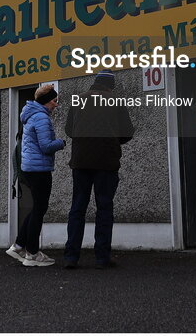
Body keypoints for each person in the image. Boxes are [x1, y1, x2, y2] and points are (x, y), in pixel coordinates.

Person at [63, 69, 135, 269]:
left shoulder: (79, 100)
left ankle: (71, 257)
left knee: (77, 208)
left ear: (95, 82)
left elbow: (69, 130)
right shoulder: (115, 102)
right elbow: (128, 132)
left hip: (81, 161)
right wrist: (112, 140)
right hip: (106, 162)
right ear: (110, 85)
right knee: (104, 208)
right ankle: (102, 257)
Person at [6, 84, 64, 267]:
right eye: (54, 101)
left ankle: (18, 246)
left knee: (37, 208)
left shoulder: (31, 116)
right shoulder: (41, 118)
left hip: (30, 168)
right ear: (46, 102)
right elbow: (46, 146)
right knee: (39, 210)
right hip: (39, 170)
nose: (56, 105)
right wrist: (61, 142)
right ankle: (32, 254)